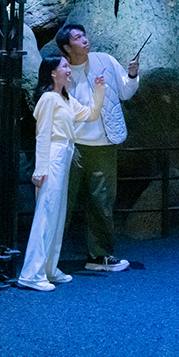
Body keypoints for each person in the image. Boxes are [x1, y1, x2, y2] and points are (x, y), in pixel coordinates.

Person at [56, 23, 140, 272]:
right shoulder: (62, 70)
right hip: (73, 146)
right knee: (62, 202)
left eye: (84, 35)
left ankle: (100, 256)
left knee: (102, 203)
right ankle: (50, 259)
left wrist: (133, 74)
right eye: (77, 38)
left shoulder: (105, 60)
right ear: (66, 47)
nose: (84, 40)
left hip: (104, 144)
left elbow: (125, 91)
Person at [18, 57, 106, 291]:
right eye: (64, 67)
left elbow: (91, 114)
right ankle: (31, 273)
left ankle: (48, 268)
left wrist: (99, 90)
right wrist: (40, 168)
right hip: (54, 153)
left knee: (57, 213)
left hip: (65, 153)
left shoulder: (65, 99)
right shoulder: (49, 99)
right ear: (53, 73)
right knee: (46, 213)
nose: (69, 70)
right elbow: (43, 134)